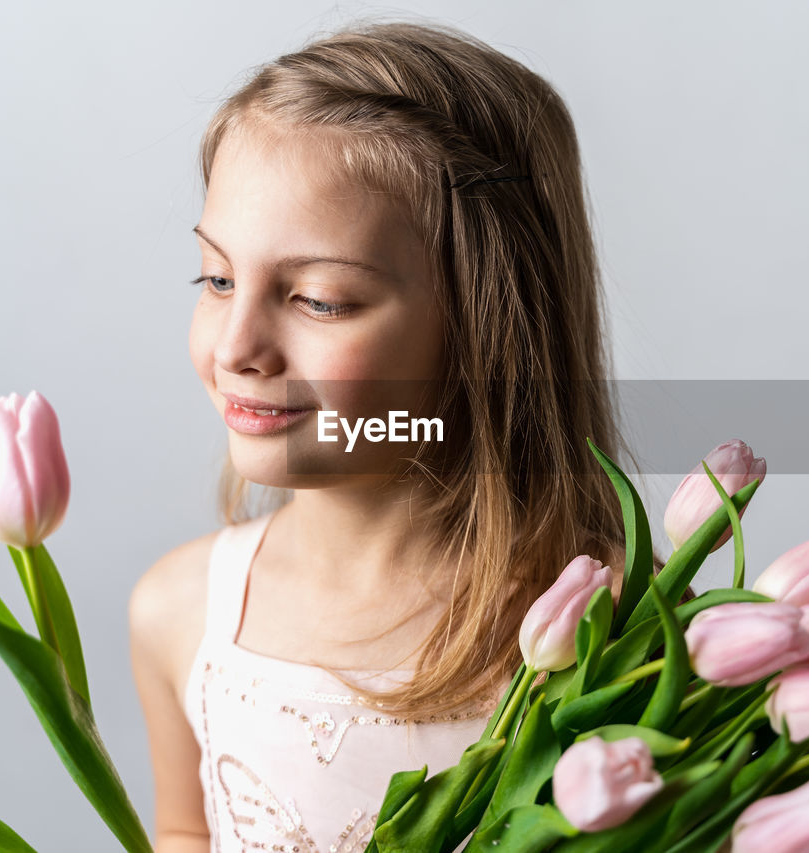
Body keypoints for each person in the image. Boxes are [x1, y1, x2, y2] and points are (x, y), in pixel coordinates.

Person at [127, 18, 664, 853]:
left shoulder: (610, 629)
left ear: (489, 329)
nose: (235, 348)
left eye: (320, 299)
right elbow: (183, 831)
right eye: (218, 279)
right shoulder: (180, 612)